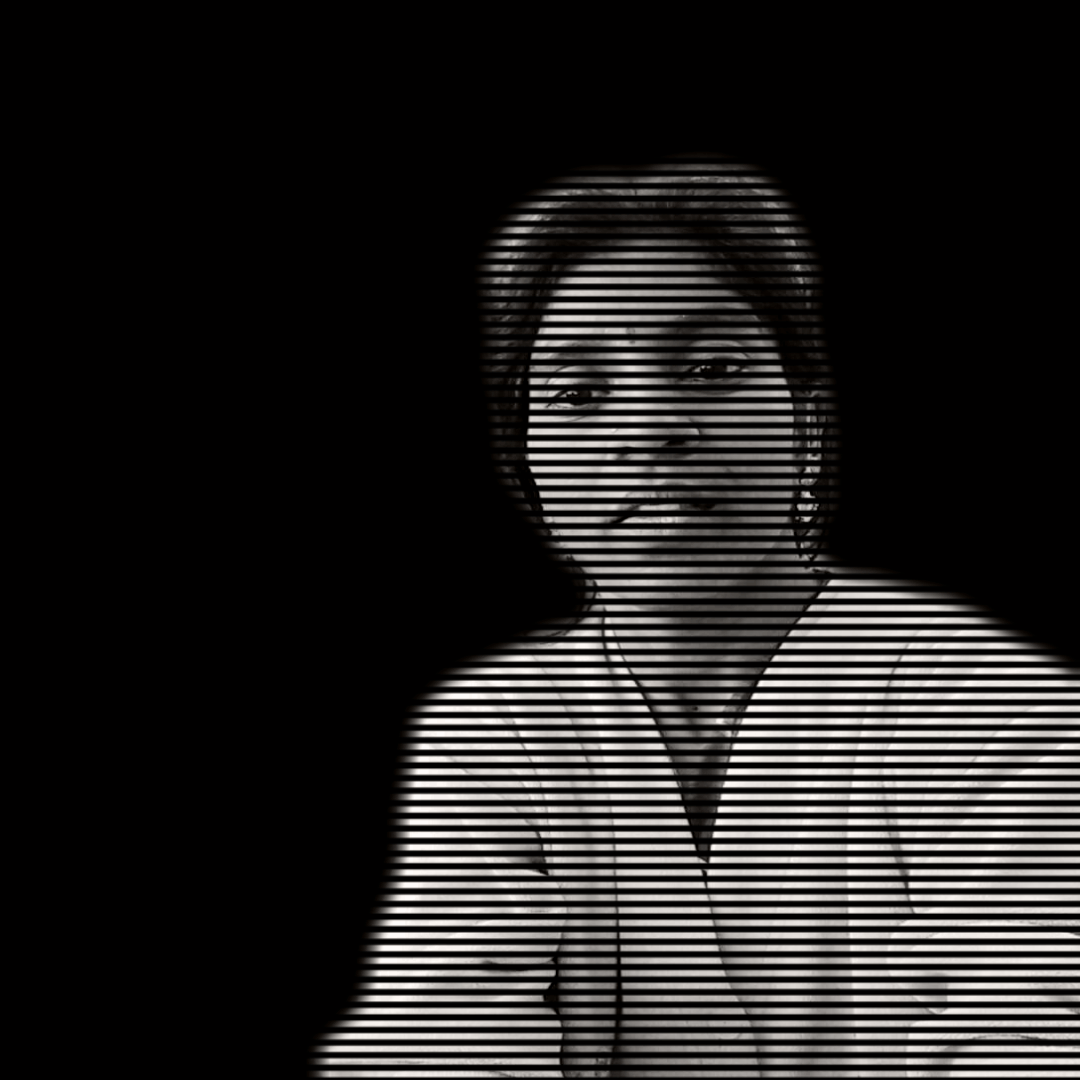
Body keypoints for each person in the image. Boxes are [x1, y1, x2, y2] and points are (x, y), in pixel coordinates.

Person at [312, 158, 1078, 1078]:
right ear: (529, 466)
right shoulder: (498, 723)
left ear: (809, 429)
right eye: (579, 394)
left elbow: (1033, 1034)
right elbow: (443, 1034)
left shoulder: (986, 700)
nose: (650, 428)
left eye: (713, 369)